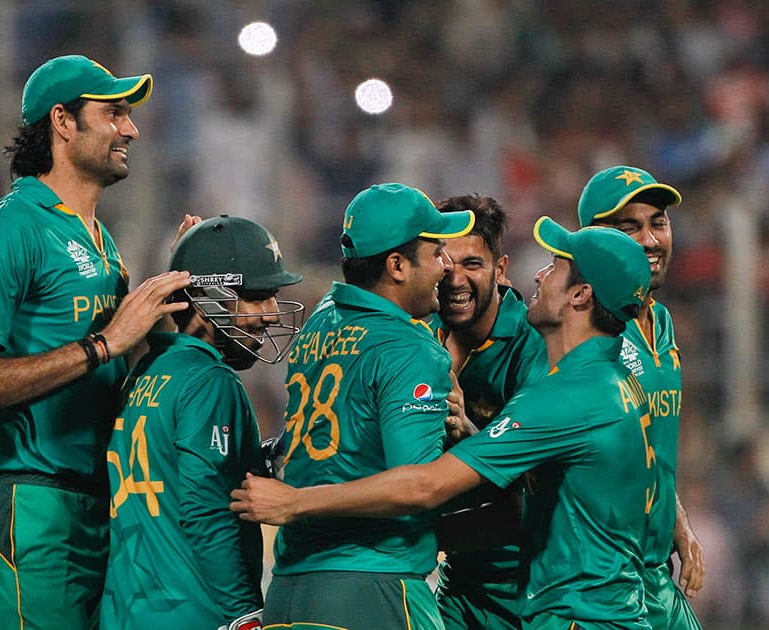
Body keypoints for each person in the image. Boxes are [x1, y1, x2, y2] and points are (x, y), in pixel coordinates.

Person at [232, 217, 660, 630]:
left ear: (580, 295)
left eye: (555, 268)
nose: (538, 277)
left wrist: (296, 503)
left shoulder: (565, 396)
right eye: (441, 255)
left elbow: (425, 485)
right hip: (599, 608)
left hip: (577, 615)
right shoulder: (619, 381)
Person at [0, 55, 192, 629]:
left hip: (95, 505)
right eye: (113, 113)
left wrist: (178, 290)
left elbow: (117, 364)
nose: (131, 129)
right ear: (63, 123)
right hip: (31, 503)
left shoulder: (98, 238)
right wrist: (103, 343)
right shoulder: (10, 227)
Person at [260, 183, 474, 629]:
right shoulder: (410, 349)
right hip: (375, 589)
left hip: (289, 592)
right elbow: (416, 489)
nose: (446, 265)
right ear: (396, 265)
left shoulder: (321, 320)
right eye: (435, 252)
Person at [100, 215, 305, 630]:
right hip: (194, 610)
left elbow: (171, 474)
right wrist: (244, 613)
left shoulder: (145, 371)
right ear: (209, 299)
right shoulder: (210, 381)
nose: (269, 313)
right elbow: (205, 509)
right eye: (255, 296)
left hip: (128, 609)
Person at [578, 165, 705, 628]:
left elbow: (649, 450)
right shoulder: (581, 325)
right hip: (599, 583)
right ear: (593, 239)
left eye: (658, 222)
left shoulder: (664, 322)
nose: (651, 240)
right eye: (629, 227)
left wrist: (679, 523)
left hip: (654, 574)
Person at [431, 194, 549, 630]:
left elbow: (536, 492)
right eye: (444, 262)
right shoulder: (421, 332)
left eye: (472, 264)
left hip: (522, 591)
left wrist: (468, 431)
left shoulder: (532, 345)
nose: (454, 279)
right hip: (455, 580)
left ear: (500, 270)